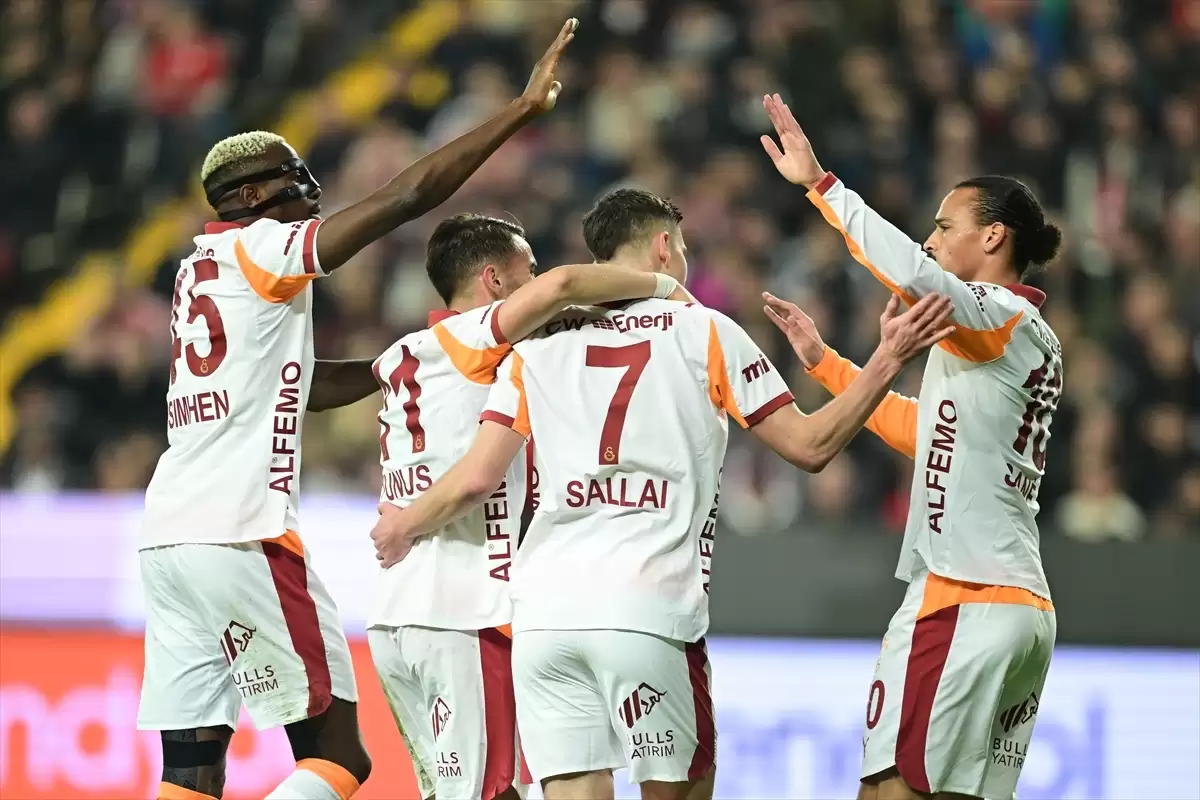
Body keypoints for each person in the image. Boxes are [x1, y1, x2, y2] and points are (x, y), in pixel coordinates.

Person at [369, 188, 955, 800]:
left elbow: (477, 473)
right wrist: (887, 358)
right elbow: (810, 447)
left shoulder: (534, 347)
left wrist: (406, 521)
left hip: (543, 620)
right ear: (663, 247)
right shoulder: (705, 330)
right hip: (646, 608)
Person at [136, 19, 579, 800]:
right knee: (340, 756)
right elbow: (406, 196)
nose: (310, 189)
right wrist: (519, 111)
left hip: (167, 538)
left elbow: (300, 386)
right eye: (292, 176)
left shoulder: (197, 271)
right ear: (248, 198)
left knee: (191, 768)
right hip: (240, 530)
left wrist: (409, 366)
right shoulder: (261, 249)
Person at [760, 93, 1063, 800]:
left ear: (993, 238)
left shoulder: (1000, 316)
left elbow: (917, 275)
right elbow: (926, 434)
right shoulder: (1016, 339)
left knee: (890, 790)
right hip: (1015, 606)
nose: (929, 240)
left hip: (964, 596)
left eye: (944, 225)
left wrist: (822, 186)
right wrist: (827, 364)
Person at [367, 212, 688, 800]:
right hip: (463, 610)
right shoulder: (474, 338)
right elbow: (563, 286)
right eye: (527, 270)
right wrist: (664, 286)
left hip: (394, 618)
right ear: (493, 280)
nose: (537, 280)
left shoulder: (399, 357)